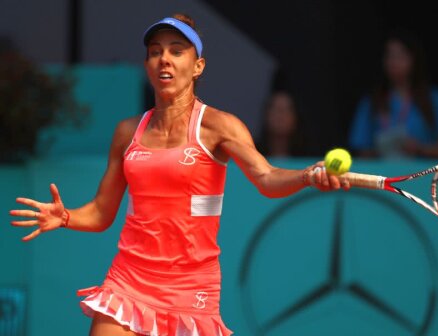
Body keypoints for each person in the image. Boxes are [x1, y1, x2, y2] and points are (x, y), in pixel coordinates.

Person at [9, 14, 349, 336]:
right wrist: (66, 215)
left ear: (197, 66)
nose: (164, 59)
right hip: (128, 279)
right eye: (155, 53)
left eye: (176, 51)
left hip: (192, 289)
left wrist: (306, 176)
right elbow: (101, 212)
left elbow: (266, 177)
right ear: (147, 67)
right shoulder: (127, 132)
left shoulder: (220, 126)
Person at [349, 32, 438, 158]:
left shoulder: (433, 98)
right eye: (389, 56)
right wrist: (383, 150)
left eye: (400, 56)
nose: (394, 62)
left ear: (414, 60)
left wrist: (420, 149)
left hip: (424, 174)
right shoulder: (372, 101)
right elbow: (361, 150)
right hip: (382, 173)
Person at [256, 90, 308, 157]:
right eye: (275, 109)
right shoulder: (253, 152)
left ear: (296, 117)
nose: (280, 114)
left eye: (287, 109)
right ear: (266, 115)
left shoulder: (309, 155)